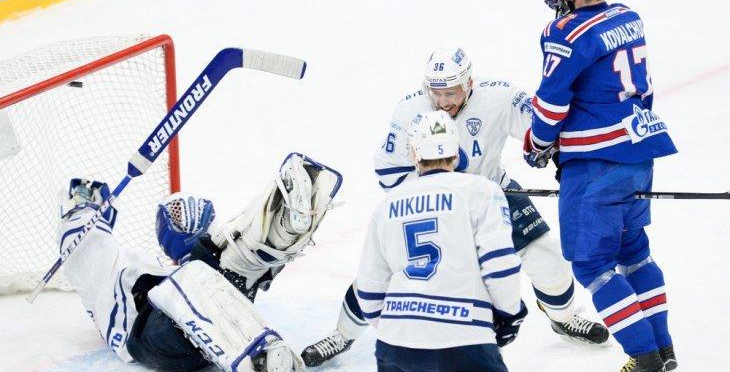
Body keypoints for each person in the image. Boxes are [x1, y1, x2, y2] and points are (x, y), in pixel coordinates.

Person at [301, 48, 608, 367]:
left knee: (546, 256)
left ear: (469, 83)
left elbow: (544, 130)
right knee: (392, 268)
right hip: (431, 201)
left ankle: (564, 317)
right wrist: (442, 189)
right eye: (436, 92)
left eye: (451, 92)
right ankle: (342, 334)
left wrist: (562, 158)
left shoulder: (500, 98)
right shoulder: (410, 111)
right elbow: (388, 170)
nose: (443, 101)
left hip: (492, 190)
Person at [524, 0, 677, 372]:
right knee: (635, 254)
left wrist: (537, 144)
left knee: (593, 264)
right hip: (639, 153)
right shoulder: (629, 17)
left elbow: (551, 105)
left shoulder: (564, 32)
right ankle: (665, 352)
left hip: (595, 164)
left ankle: (644, 358)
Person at [57, 153, 342, 372]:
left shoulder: (180, 264)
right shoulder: (120, 269)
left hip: (207, 327)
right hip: (151, 333)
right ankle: (261, 358)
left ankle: (286, 226)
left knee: (233, 257)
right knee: (199, 272)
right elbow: (81, 246)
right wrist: (83, 208)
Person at [356, 110, 525, 372]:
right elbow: (500, 265)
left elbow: (369, 288)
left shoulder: (387, 204)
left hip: (395, 344)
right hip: (464, 340)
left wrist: (401, 326)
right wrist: (509, 313)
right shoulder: (481, 191)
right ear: (456, 152)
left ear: (414, 153)